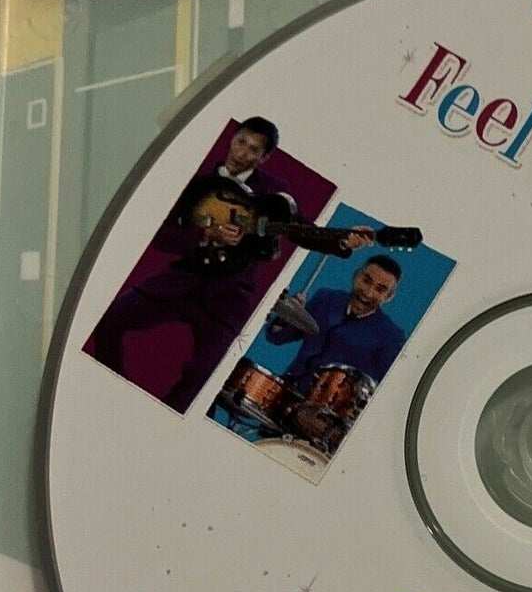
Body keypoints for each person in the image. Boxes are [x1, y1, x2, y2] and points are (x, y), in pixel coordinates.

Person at [89, 117, 306, 413]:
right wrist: (205, 234)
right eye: (240, 142)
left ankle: (163, 418)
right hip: (180, 281)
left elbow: (302, 228)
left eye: (253, 149)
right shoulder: (195, 179)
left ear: (264, 158)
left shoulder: (275, 192)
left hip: (228, 297)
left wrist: (341, 241)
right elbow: (163, 237)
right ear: (232, 138)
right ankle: (111, 393)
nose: (241, 152)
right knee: (107, 321)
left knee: (206, 375)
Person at [265, 254, 405, 390]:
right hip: (286, 388)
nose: (368, 293)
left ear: (389, 296)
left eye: (380, 290)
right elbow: (276, 338)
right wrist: (286, 315)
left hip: (326, 403)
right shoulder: (325, 298)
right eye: (366, 281)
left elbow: (381, 388)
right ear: (356, 276)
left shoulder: (391, 337)